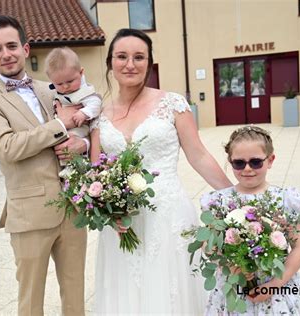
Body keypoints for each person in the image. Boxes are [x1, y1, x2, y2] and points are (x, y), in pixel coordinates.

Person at [89, 28, 233, 314]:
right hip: (121, 223)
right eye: (122, 56)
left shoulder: (172, 104)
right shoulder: (99, 114)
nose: (130, 64)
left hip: (167, 216)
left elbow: (199, 155)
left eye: (139, 57)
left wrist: (234, 196)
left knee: (172, 292)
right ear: (110, 63)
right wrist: (106, 209)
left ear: (149, 63)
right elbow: (96, 172)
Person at [0, 15, 88, 316]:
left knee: (75, 293)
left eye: (11, 45)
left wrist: (81, 146)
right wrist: (61, 124)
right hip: (29, 214)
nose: (5, 54)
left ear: (25, 48)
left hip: (73, 207)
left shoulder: (52, 88)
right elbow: (9, 147)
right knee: (30, 299)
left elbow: (83, 128)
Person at [201, 125, 300, 315]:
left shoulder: (284, 200)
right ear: (230, 161)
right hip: (235, 285)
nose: (247, 169)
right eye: (239, 163)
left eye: (255, 162)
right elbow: (208, 245)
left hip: (276, 285)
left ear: (270, 160)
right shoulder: (219, 202)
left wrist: (273, 285)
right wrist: (227, 263)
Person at [45, 47, 101, 174]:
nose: (65, 87)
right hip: (63, 130)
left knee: (71, 144)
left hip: (80, 128)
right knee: (62, 145)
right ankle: (68, 168)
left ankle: (75, 168)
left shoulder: (85, 91)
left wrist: (84, 113)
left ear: (81, 73)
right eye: (59, 84)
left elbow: (95, 103)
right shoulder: (53, 93)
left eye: (70, 81)